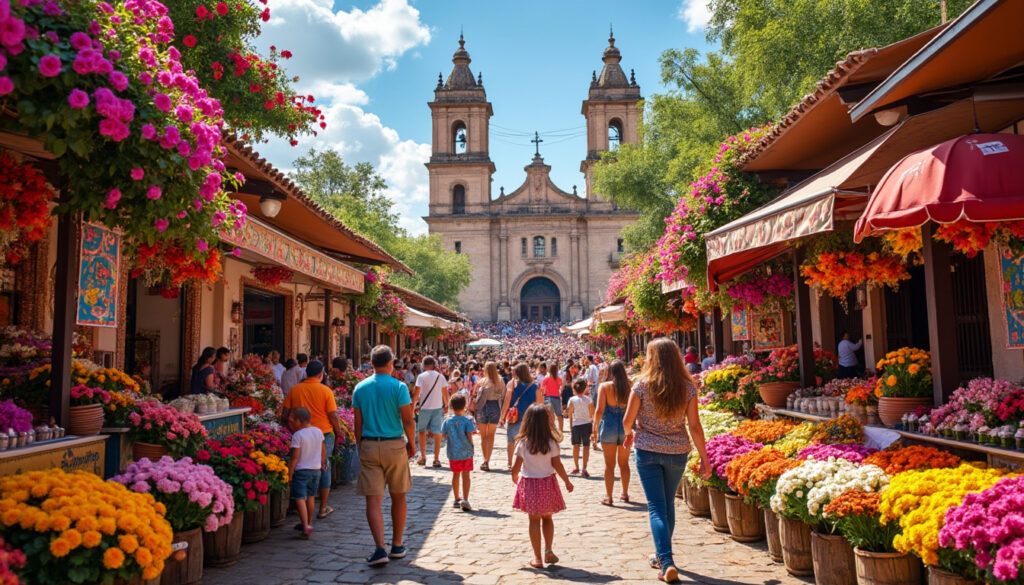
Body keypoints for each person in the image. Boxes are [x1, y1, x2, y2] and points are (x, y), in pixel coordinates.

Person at [623, 339, 712, 582]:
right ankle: (663, 556)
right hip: (677, 452)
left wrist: (630, 434)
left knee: (656, 508)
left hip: (648, 451)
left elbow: (627, 421)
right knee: (667, 504)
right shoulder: (687, 386)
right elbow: (695, 426)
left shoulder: (641, 385)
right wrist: (705, 459)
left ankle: (666, 561)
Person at [352, 345, 416, 566]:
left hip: (369, 444)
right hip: (394, 445)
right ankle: (397, 545)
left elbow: (357, 423)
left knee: (373, 500)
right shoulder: (399, 387)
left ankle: (379, 548)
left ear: (371, 364)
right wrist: (413, 444)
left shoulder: (360, 388)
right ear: (391, 363)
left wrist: (361, 445)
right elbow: (408, 419)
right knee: (399, 496)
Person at [510, 403, 574, 569]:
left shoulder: (523, 443)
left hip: (530, 484)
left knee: (533, 520)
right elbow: (558, 464)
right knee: (547, 517)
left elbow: (516, 466)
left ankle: (537, 557)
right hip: (547, 484)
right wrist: (567, 481)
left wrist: (514, 476)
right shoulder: (551, 443)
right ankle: (548, 549)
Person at [281, 360, 342, 521]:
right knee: (323, 465)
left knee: (301, 465)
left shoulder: (296, 390)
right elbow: (333, 415)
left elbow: (284, 414)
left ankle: (300, 502)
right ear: (321, 374)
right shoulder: (325, 391)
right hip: (323, 433)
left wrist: (291, 429)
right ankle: (322, 507)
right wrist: (339, 431)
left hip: (300, 433)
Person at [592, 359, 632, 505]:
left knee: (609, 465)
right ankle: (625, 493)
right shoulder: (629, 387)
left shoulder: (605, 386)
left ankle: (609, 497)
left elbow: (599, 410)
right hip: (625, 426)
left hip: (608, 426)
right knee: (624, 463)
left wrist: (594, 428)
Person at [287, 407, 326, 540]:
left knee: (299, 497)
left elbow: (294, 457)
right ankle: (308, 522)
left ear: (299, 421)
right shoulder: (318, 431)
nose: (290, 423)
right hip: (316, 470)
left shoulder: (298, 435)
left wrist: (290, 473)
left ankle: (305, 526)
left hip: (302, 471)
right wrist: (322, 462)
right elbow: (323, 450)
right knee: (311, 497)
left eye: (292, 421)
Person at [499, 363, 542, 470]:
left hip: (515, 415)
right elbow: (540, 402)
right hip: (531, 415)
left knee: (511, 440)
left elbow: (507, 401)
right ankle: (528, 462)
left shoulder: (512, 384)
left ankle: (510, 463)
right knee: (529, 439)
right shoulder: (534, 385)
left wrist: (502, 416)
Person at [440, 394, 478, 511]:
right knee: (466, 475)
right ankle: (465, 499)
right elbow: (469, 435)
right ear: (465, 406)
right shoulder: (467, 421)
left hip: (453, 452)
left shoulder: (447, 421)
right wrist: (472, 446)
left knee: (455, 475)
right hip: (466, 452)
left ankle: (456, 498)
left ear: (451, 406)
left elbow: (443, 435)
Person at [412, 356, 449, 468]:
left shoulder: (421, 377)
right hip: (438, 407)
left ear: (423, 365)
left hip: (425, 408)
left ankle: (423, 457)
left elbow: (417, 392)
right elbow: (445, 392)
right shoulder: (440, 376)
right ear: (434, 365)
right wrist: (446, 404)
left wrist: (413, 405)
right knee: (437, 432)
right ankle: (436, 459)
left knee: (422, 431)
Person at [472, 361, 504, 471]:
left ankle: (484, 459)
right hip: (494, 406)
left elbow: (475, 394)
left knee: (483, 436)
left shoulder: (482, 381)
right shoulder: (500, 381)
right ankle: (487, 460)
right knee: (491, 435)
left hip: (482, 407)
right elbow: (503, 396)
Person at [566, 378, 594, 477]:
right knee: (586, 447)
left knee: (576, 446)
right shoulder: (589, 399)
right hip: (587, 425)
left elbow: (569, 413)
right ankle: (584, 468)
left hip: (576, 425)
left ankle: (576, 466)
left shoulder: (572, 400)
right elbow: (592, 414)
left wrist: (570, 424)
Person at [540, 360, 563, 433]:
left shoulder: (546, 379)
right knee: (559, 414)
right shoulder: (558, 379)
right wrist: (560, 392)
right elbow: (561, 386)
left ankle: (551, 429)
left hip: (548, 397)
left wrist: (543, 394)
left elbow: (542, 387)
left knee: (550, 414)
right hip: (556, 397)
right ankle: (560, 430)